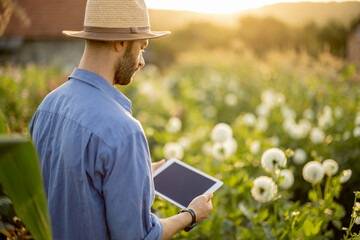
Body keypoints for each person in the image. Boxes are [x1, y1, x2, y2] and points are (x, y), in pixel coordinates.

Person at [29, 0, 214, 239]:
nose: (141, 61)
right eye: (142, 47)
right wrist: (190, 214)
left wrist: (135, 177)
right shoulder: (124, 131)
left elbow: (69, 189)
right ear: (121, 42)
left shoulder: (46, 108)